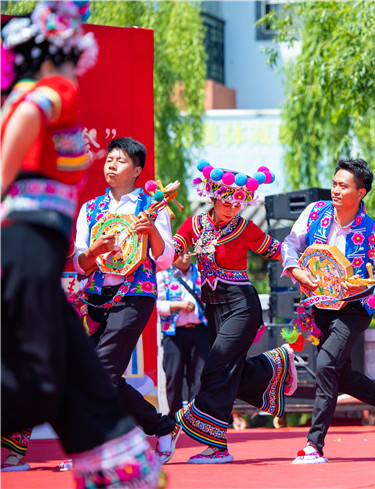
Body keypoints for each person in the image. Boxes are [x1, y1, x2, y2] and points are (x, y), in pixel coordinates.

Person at [1, 2, 162, 486]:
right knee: (44, 377)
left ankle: (119, 470)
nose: (78, 69)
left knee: (80, 375)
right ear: (57, 55)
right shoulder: (54, 90)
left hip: (41, 253)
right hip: (28, 246)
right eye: (74, 57)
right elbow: (27, 118)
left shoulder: (26, 94)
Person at [173, 160, 297, 464]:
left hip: (242, 305)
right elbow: (172, 251)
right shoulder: (194, 224)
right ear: (213, 197)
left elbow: (278, 251)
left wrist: (305, 264)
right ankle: (275, 365)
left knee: (214, 370)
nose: (231, 209)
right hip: (213, 307)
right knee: (228, 372)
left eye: (237, 204)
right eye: (226, 203)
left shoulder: (245, 228)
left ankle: (207, 440)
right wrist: (155, 236)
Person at [73, 136, 181, 464]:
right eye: (109, 160)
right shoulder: (91, 209)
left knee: (101, 374)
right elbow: (79, 263)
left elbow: (165, 259)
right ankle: (162, 427)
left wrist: (152, 232)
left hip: (135, 296)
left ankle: (92, 448)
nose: (111, 165)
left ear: (137, 170)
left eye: (120, 161)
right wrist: (95, 250)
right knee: (93, 373)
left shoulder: (151, 205)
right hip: (97, 298)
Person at [281, 158, 375, 464]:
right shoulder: (314, 213)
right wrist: (296, 270)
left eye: (343, 186)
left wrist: (362, 285)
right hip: (319, 307)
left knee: (325, 365)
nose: (335, 190)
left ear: (361, 193)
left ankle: (314, 444)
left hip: (353, 310)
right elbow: (290, 244)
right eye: (334, 184)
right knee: (340, 376)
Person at [156, 253, 210, 420]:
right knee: (173, 376)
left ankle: (195, 418)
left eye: (188, 252)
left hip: (200, 330)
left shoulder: (202, 273)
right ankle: (174, 418)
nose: (186, 256)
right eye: (181, 253)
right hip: (174, 333)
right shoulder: (162, 275)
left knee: (199, 377)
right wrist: (176, 305)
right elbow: (156, 304)